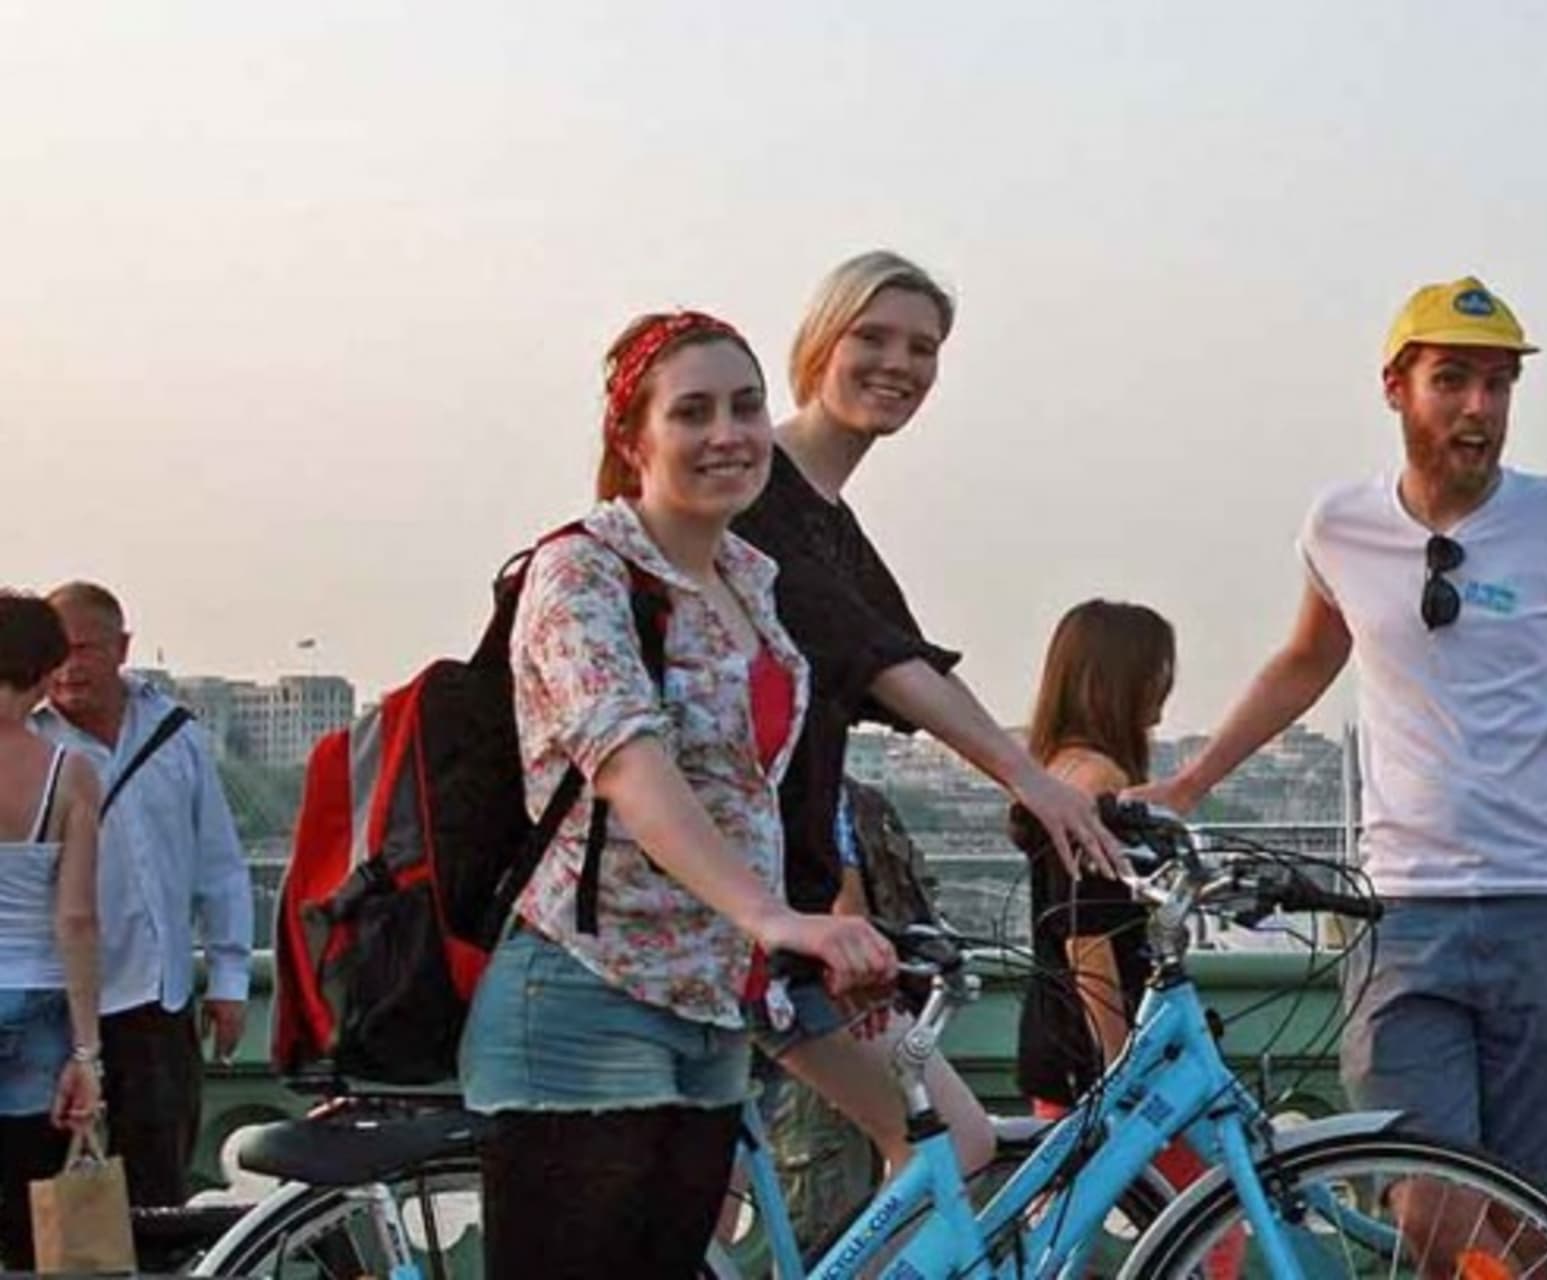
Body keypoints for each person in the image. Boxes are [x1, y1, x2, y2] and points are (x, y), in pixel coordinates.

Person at [1139, 277, 1547, 1219]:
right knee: (1427, 1210)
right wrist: (1190, 781)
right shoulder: (1340, 524)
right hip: (1403, 916)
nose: (1479, 408)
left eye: (1498, 385)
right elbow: (1306, 660)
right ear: (1395, 388)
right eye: (1452, 380)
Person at [464, 310, 896, 1277]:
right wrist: (773, 916)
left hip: (712, 1003)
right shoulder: (581, 570)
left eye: (745, 407)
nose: (727, 434)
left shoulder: (751, 579)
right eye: (691, 412)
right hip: (587, 992)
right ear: (632, 440)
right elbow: (629, 764)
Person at [731, 251, 1123, 1205]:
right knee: (946, 1139)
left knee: (954, 1139)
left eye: (924, 347)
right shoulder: (759, 490)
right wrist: (1031, 780)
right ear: (819, 342)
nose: (899, 363)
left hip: (792, 897)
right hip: (739, 897)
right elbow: (881, 660)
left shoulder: (829, 516)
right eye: (874, 337)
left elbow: (899, 659)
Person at [31, 580, 247, 1207]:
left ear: (121, 648)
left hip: (155, 1003)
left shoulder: (175, 734)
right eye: (56, 652)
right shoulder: (24, 743)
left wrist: (229, 982)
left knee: (157, 1196)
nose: (69, 668)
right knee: (57, 1209)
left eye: (84, 649)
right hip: (53, 1011)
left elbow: (221, 865)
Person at [1008, 600, 1208, 1190]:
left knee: (1064, 1219)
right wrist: (1123, 1065)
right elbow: (1088, 936)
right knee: (1202, 1216)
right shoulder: (1101, 782)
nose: (1163, 694)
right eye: (1156, 674)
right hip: (1097, 1044)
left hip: (1055, 1035)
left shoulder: (1053, 768)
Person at [0, 593, 108, 1270]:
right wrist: (88, 1054)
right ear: (46, 672)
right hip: (38, 1001)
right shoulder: (69, 773)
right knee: (36, 1231)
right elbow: (76, 918)